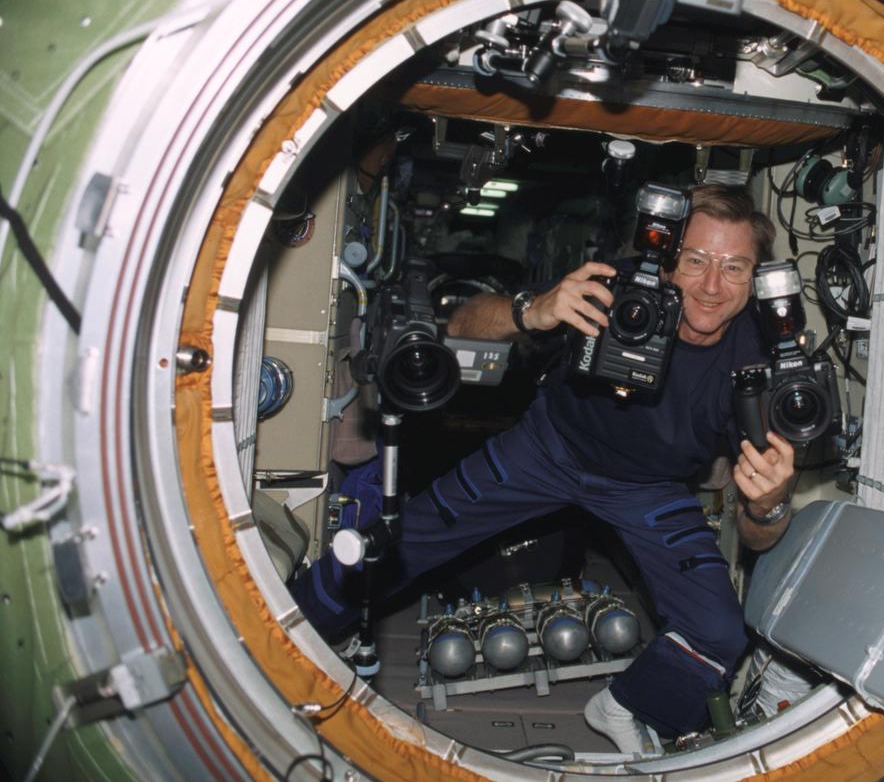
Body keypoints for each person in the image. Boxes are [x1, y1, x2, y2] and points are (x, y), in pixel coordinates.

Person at [289, 183, 796, 752]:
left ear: (756, 278)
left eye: (734, 267)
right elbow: (460, 325)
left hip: (649, 489)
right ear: (669, 255)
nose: (710, 285)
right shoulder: (616, 285)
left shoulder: (759, 359)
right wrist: (534, 310)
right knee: (394, 545)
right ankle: (288, 632)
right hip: (546, 450)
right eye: (696, 260)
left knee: (720, 633)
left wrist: (767, 501)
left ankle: (628, 705)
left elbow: (759, 532)